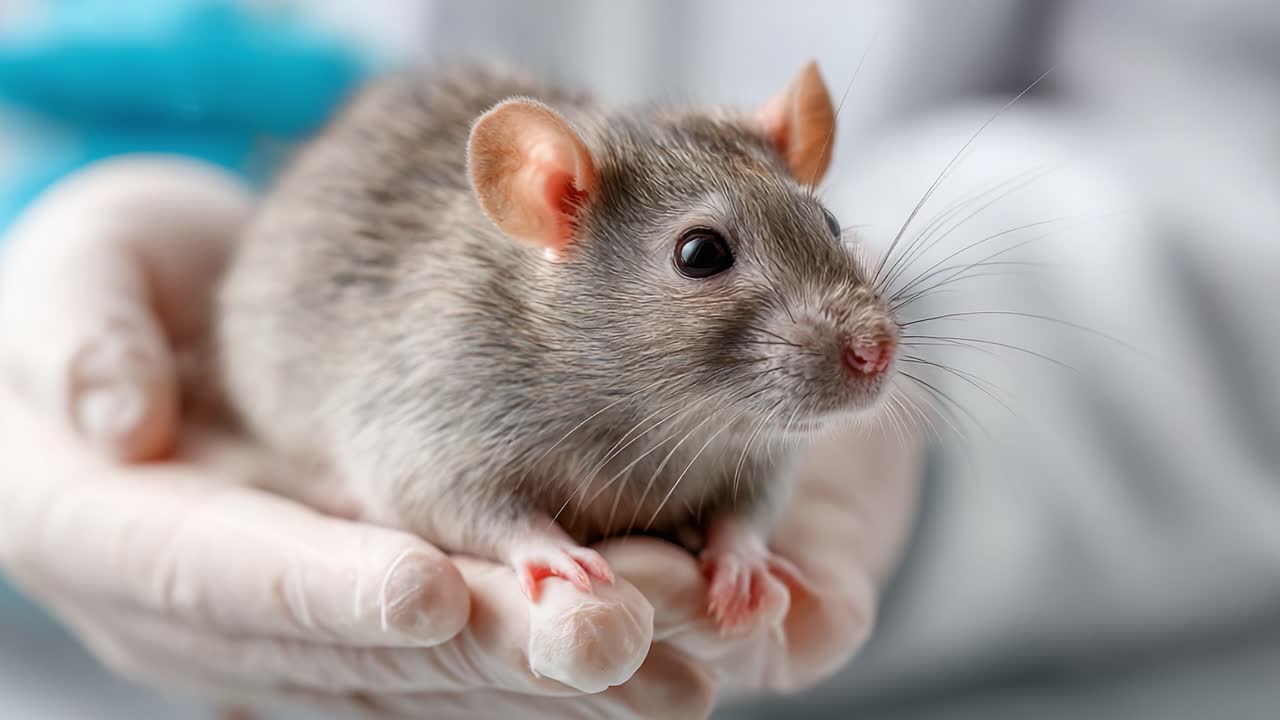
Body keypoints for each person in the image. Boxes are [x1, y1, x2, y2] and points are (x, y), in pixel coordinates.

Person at [4, 1, 1280, 719]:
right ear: (549, 208)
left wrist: (750, 535)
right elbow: (430, 456)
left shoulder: (746, 373)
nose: (862, 328)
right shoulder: (471, 335)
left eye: (822, 233)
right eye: (703, 257)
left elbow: (1235, 151)